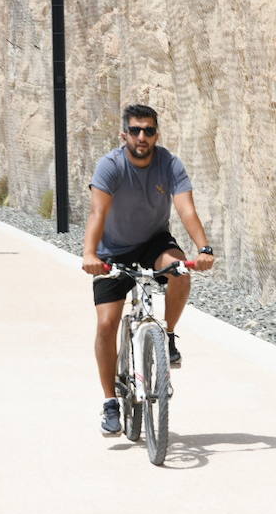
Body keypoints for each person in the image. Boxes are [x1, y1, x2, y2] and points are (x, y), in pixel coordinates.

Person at [81, 104, 215, 436]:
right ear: (124, 133)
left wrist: (204, 248)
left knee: (180, 271)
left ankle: (166, 336)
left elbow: (186, 208)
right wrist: (89, 254)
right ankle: (111, 401)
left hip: (154, 243)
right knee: (106, 325)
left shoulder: (169, 164)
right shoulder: (109, 166)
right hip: (112, 251)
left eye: (149, 130)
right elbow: (98, 213)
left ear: (157, 133)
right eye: (136, 130)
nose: (143, 137)